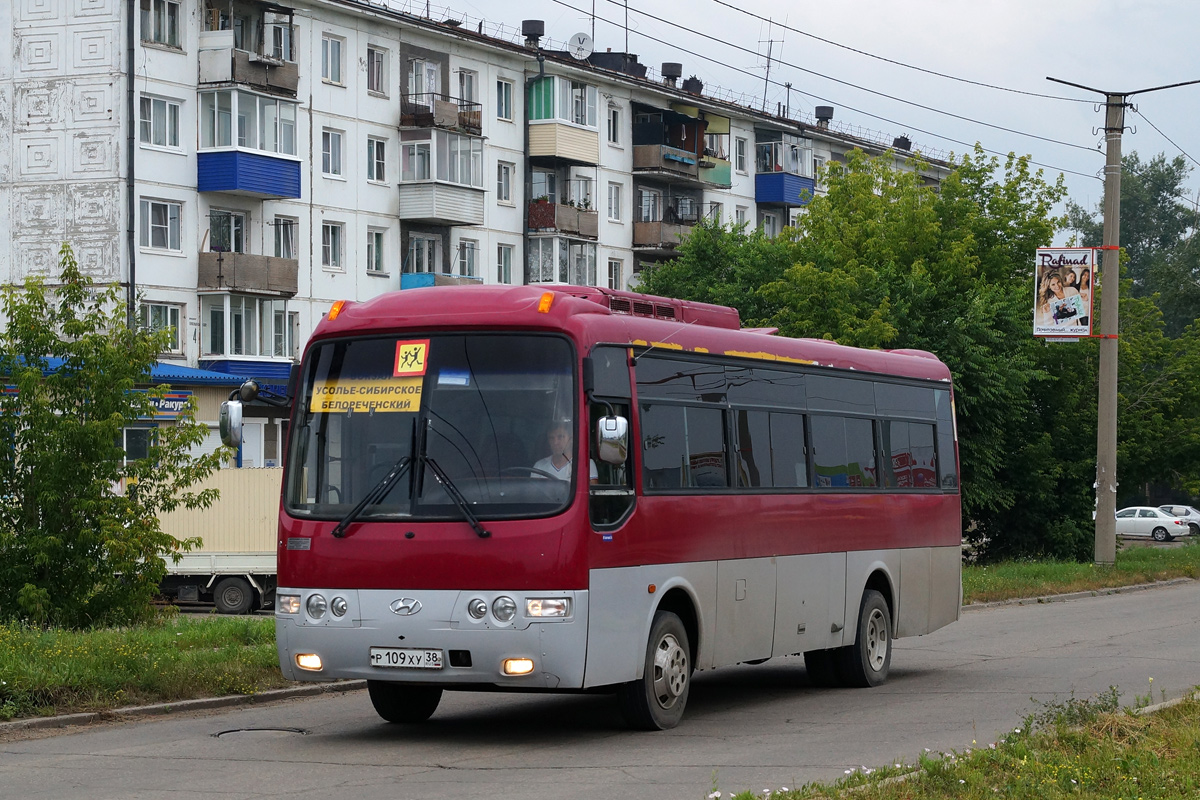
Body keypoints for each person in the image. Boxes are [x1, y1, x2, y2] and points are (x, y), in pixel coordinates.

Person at [532, 421, 598, 484]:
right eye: (551, 438)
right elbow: (533, 493)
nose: (555, 442)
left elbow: (591, 493)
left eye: (560, 437)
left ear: (571, 439)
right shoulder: (539, 466)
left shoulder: (586, 465)